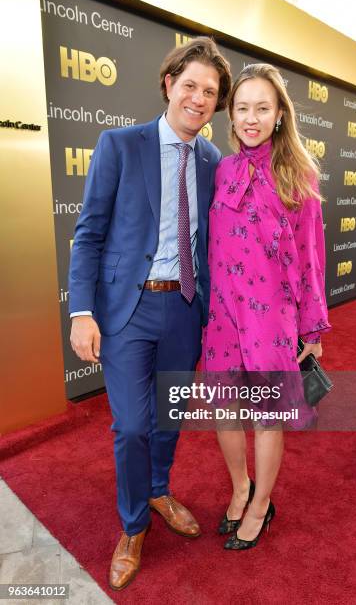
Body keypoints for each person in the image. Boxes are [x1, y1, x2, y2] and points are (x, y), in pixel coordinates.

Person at [69, 37, 231, 589]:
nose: (199, 98)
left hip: (186, 309)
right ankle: (133, 524)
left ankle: (160, 489)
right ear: (168, 84)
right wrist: (81, 311)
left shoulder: (214, 161)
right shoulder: (120, 144)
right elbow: (88, 234)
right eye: (190, 85)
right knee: (133, 425)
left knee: (170, 418)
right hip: (127, 309)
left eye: (210, 92)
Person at [202, 63, 331, 550]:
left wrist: (312, 329)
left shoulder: (299, 173)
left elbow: (312, 256)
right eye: (242, 108)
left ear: (280, 114)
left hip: (270, 317)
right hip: (223, 313)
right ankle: (241, 488)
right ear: (230, 116)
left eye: (262, 108)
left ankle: (261, 506)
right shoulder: (223, 169)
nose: (251, 118)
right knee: (224, 407)